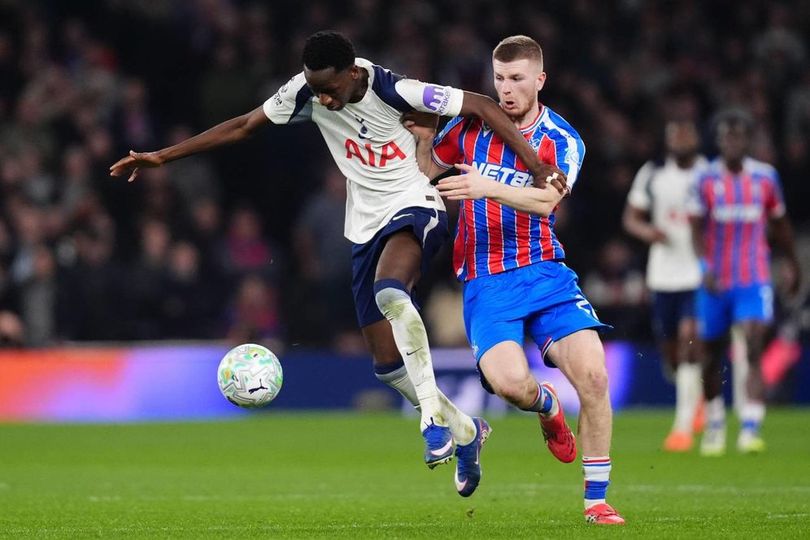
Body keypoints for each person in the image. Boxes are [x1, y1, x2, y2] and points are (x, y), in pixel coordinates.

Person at [110, 31, 565, 497]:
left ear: (352, 74)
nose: (322, 99)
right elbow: (245, 125)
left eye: (330, 89)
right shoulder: (305, 91)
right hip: (364, 224)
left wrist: (534, 164)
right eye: (315, 88)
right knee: (387, 366)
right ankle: (467, 431)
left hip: (415, 203)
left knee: (391, 292)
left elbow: (482, 105)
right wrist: (162, 157)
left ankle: (431, 418)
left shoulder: (395, 90)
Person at [408, 35, 624, 525]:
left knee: (593, 376)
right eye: (500, 79)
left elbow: (547, 200)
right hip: (486, 281)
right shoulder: (469, 129)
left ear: (539, 80)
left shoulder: (562, 139)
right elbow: (432, 170)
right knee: (509, 386)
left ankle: (597, 502)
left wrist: (486, 186)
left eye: (517, 79)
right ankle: (547, 408)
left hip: (545, 272)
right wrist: (424, 141)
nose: (506, 90)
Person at [688, 110, 800, 455]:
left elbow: (780, 225)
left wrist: (794, 264)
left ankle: (750, 427)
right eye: (725, 137)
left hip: (754, 278)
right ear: (719, 141)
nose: (731, 142)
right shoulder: (705, 179)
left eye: (737, 136)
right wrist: (704, 265)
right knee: (711, 354)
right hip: (715, 280)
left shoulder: (766, 179)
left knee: (753, 344)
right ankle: (716, 423)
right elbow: (695, 228)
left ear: (747, 141)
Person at [622, 120, 706, 452]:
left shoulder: (708, 173)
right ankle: (694, 396)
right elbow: (631, 217)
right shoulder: (653, 173)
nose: (682, 137)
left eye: (687, 131)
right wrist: (647, 232)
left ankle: (682, 426)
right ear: (669, 140)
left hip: (699, 273)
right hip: (663, 273)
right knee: (671, 353)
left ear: (696, 137)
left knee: (689, 344)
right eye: (676, 133)